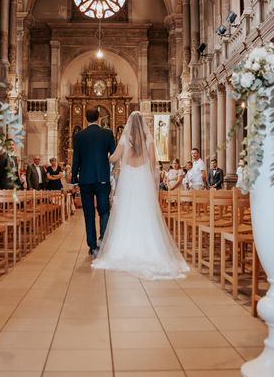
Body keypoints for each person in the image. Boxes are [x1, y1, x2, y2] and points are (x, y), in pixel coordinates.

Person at [91, 111, 189, 280]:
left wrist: (101, 155)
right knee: (144, 212)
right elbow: (153, 163)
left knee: (127, 212)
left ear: (129, 123)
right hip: (142, 179)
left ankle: (124, 248)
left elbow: (113, 158)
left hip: (128, 180)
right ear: (142, 123)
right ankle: (149, 249)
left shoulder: (124, 139)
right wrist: (151, 181)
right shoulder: (148, 139)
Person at [71, 107, 116, 256]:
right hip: (102, 178)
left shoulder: (79, 136)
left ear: (86, 119)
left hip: (85, 180)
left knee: (88, 213)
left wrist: (74, 180)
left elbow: (76, 159)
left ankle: (92, 245)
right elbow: (114, 155)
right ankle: (103, 239)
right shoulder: (107, 133)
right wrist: (103, 163)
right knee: (104, 210)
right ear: (99, 118)